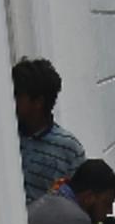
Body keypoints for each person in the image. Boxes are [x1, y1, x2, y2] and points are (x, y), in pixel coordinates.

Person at [12, 57, 86, 204]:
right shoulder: (7, 138)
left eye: (18, 96)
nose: (12, 101)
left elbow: (80, 201)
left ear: (38, 102)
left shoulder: (69, 148)